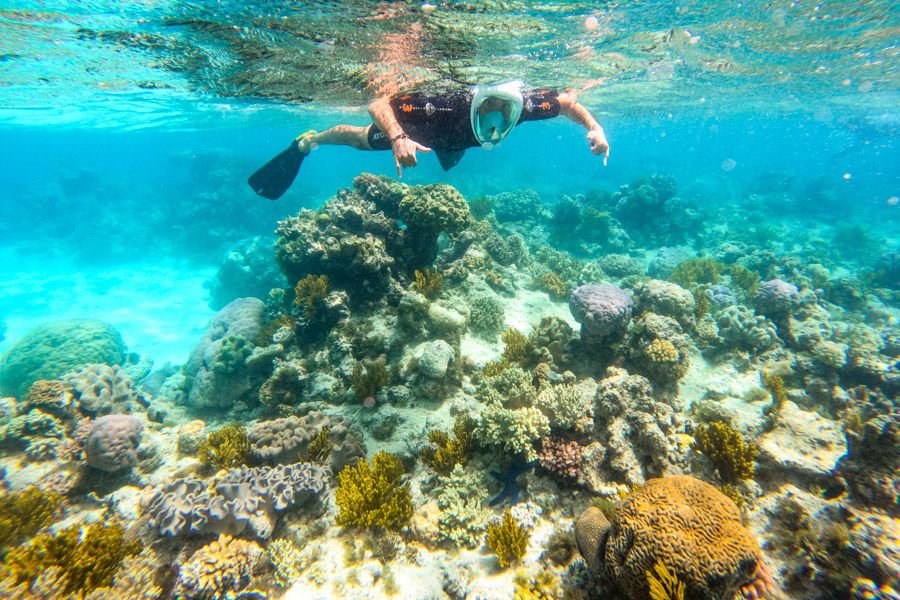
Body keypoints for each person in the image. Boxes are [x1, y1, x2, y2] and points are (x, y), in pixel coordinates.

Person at [296, 80, 610, 177]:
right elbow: (378, 103)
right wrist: (398, 137)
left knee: (450, 160)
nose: (497, 118)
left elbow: (566, 102)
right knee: (359, 138)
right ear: (475, 102)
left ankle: (446, 152)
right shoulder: (445, 105)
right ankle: (313, 139)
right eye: (490, 106)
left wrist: (595, 127)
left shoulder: (523, 109)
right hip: (422, 133)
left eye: (506, 110)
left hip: (457, 144)